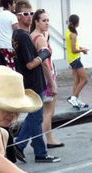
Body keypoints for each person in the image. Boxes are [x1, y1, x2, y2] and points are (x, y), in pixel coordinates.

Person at [11, 1, 58, 163]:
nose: (29, 16)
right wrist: (44, 54)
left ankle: (40, 152)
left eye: (31, 13)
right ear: (18, 16)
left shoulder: (20, 35)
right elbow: (31, 64)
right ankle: (19, 144)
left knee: (36, 118)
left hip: (32, 81)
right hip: (32, 82)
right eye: (26, 14)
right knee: (35, 117)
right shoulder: (23, 36)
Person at [30, 9, 63, 148]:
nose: (47, 23)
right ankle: (49, 139)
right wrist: (52, 82)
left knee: (44, 111)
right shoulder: (40, 38)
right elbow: (44, 62)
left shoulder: (35, 35)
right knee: (48, 111)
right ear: (36, 22)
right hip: (46, 76)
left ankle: (43, 139)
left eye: (48, 20)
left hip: (42, 76)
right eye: (44, 20)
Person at [65, 14, 89, 110]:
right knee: (84, 80)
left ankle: (76, 101)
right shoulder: (73, 34)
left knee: (77, 81)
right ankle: (73, 98)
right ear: (77, 23)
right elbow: (74, 49)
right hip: (75, 59)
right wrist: (82, 50)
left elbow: (73, 47)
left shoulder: (68, 32)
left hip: (71, 59)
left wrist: (81, 48)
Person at [0, 0, 19, 69]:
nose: (15, 5)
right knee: (14, 68)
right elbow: (17, 32)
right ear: (9, 4)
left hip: (1, 45)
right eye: (14, 3)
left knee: (5, 68)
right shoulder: (12, 16)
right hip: (10, 46)